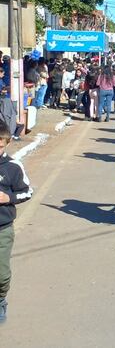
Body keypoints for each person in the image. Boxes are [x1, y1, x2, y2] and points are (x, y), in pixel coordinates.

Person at [0, 121, 33, 323]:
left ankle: (1, 299)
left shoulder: (13, 167)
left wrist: (8, 198)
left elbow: (27, 192)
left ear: (7, 143)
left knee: (1, 273)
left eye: (0, 145)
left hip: (2, 230)